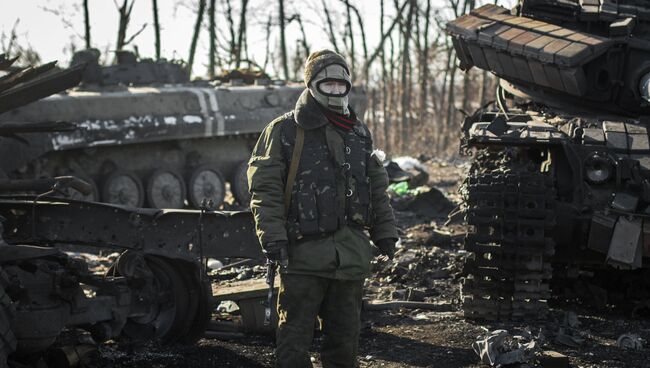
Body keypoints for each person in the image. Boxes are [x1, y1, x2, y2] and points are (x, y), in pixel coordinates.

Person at [247, 49, 398, 368]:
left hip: (350, 257)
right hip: (302, 256)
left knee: (345, 340)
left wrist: (385, 233)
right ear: (311, 85)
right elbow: (265, 188)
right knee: (293, 339)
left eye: (340, 85)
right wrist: (273, 237)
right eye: (326, 84)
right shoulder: (284, 130)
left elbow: (376, 188)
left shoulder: (358, 133)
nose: (334, 90)